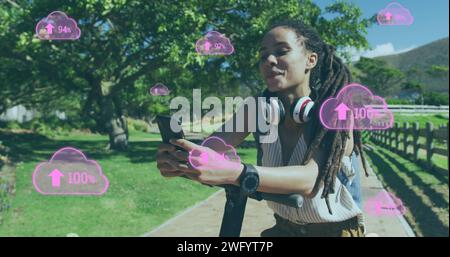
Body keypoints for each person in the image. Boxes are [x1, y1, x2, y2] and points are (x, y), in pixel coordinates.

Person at [156, 20, 369, 237]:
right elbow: (212, 149)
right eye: (263, 55)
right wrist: (182, 161)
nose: (269, 60)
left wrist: (236, 172)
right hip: (283, 229)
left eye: (281, 51)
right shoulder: (256, 109)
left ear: (310, 59)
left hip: (335, 232)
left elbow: (310, 180)